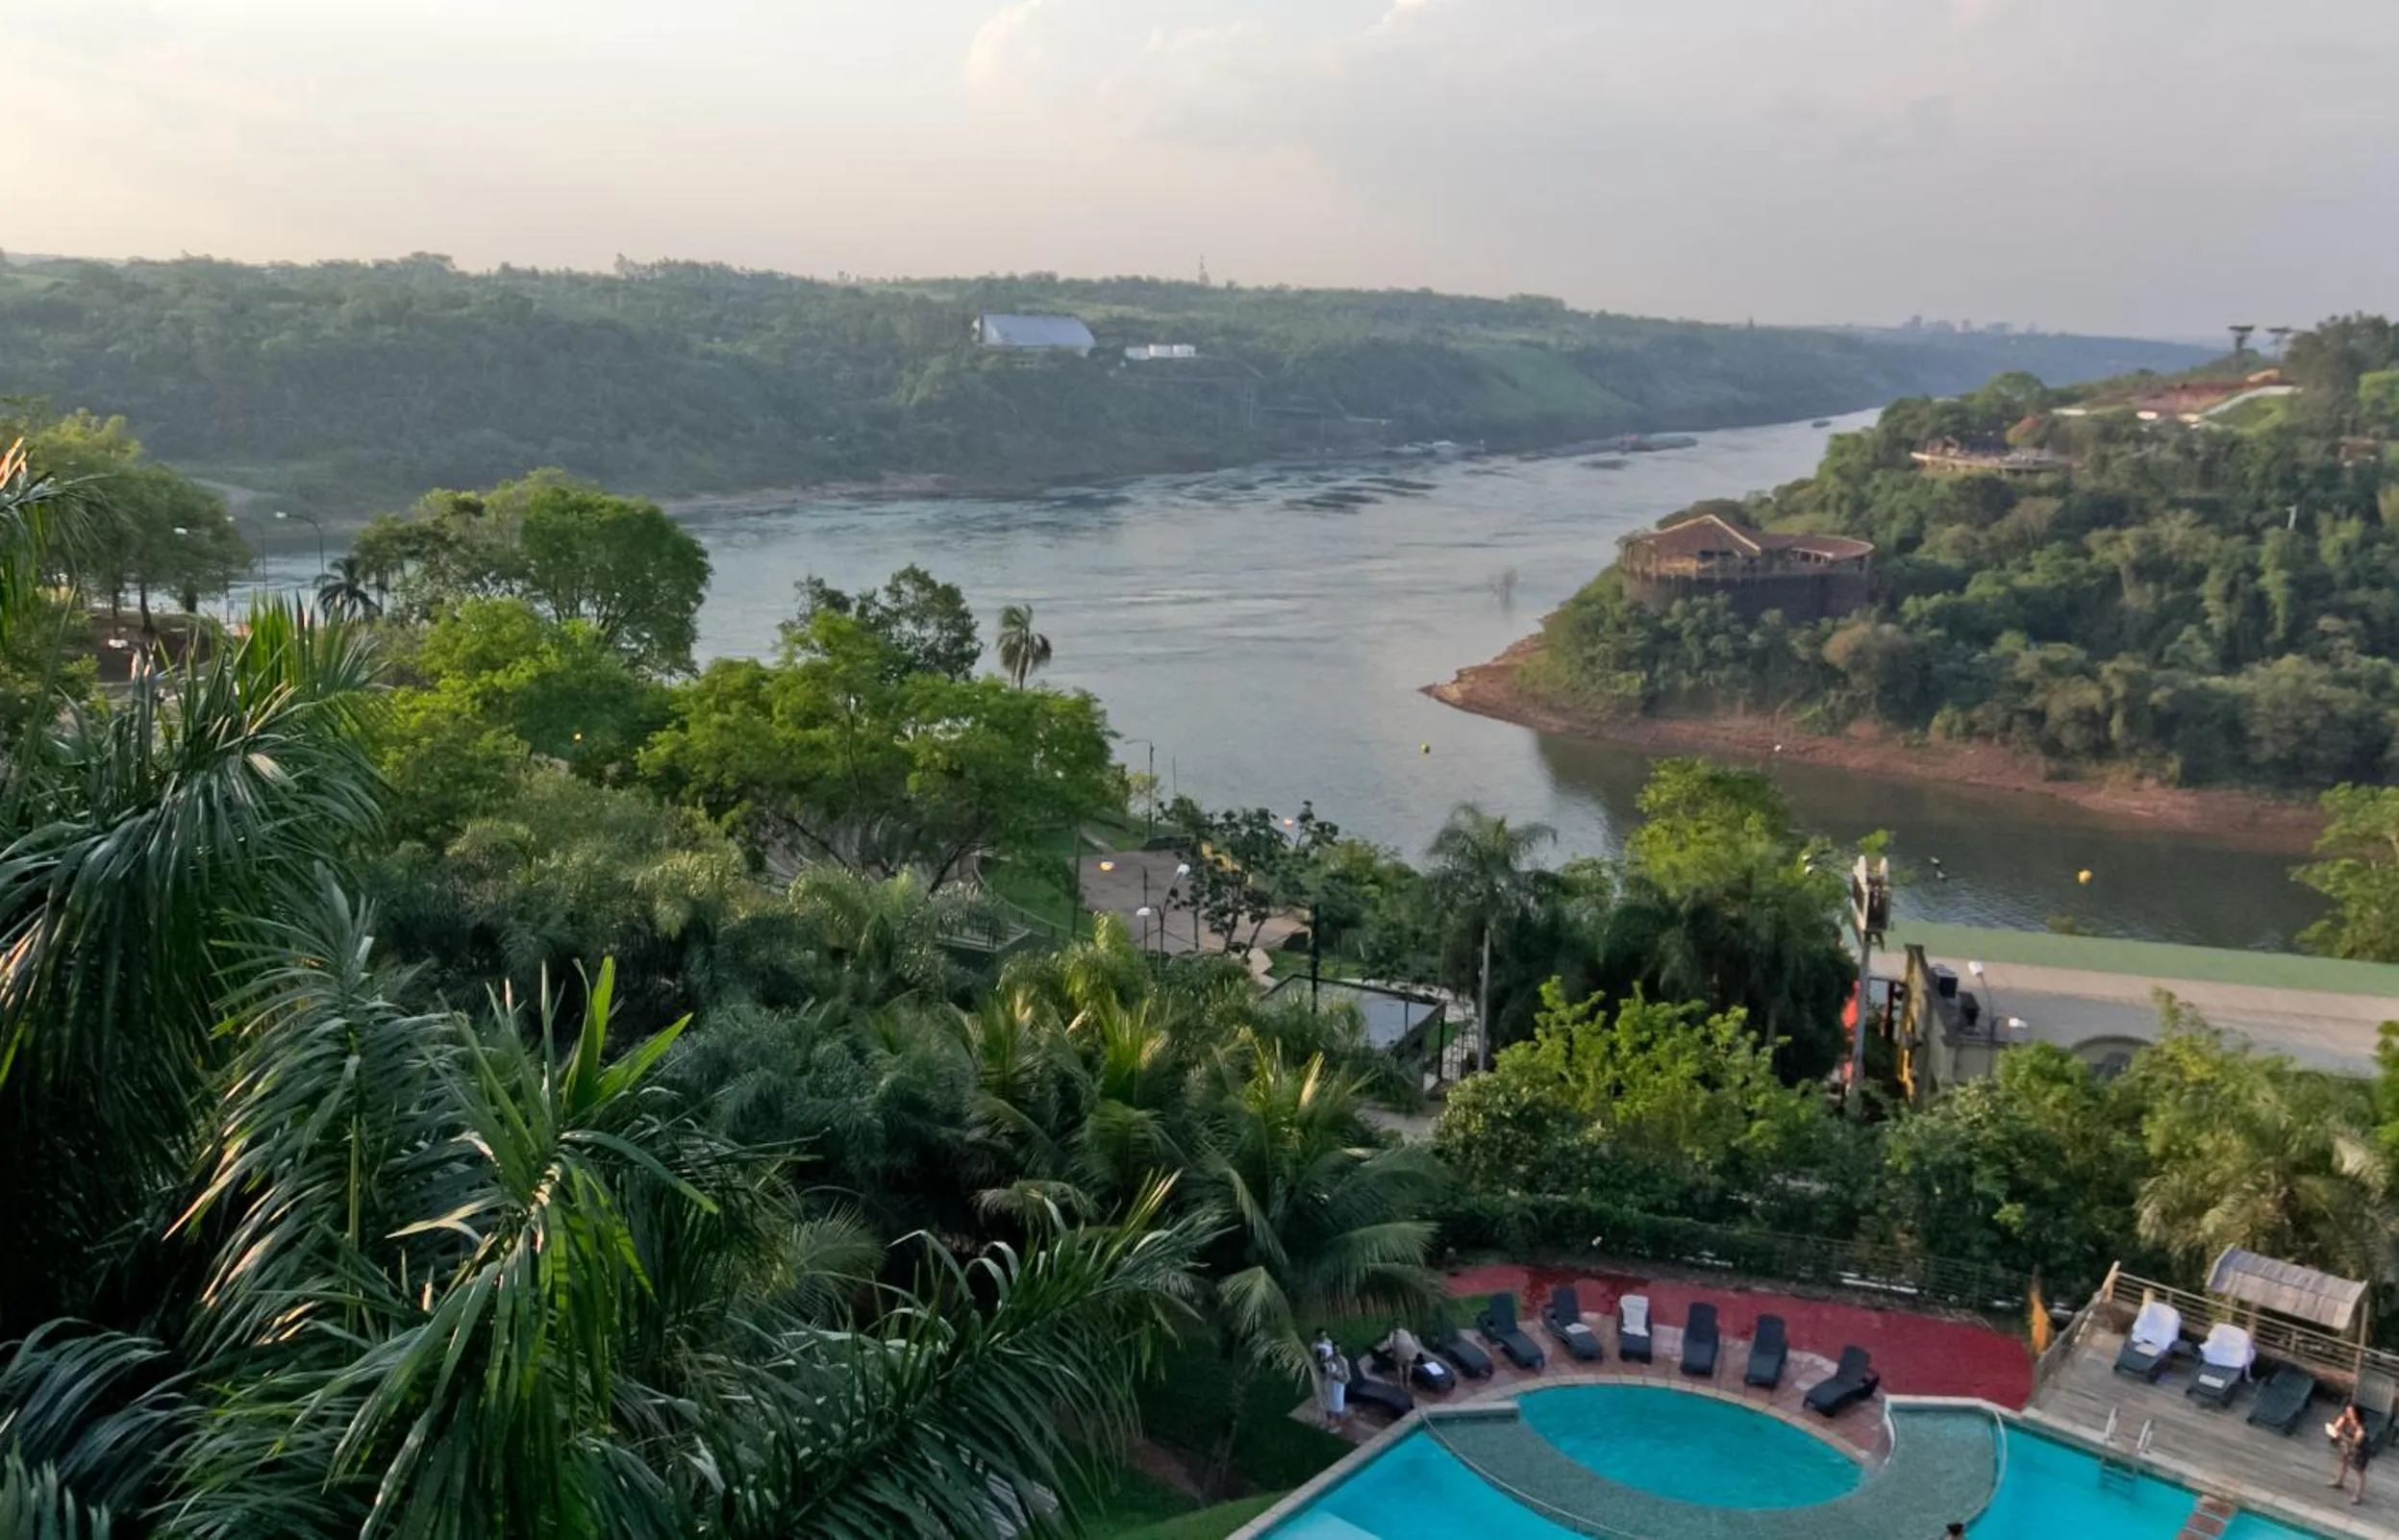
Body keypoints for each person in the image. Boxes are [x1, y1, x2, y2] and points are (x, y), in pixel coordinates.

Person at [2330, 1403, 2371, 1505]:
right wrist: (2335, 1429)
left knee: (2358, 1472)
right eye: (2347, 1411)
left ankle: (2357, 1496)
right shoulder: (2345, 1418)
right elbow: (2336, 1427)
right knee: (2343, 1462)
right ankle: (2339, 1482)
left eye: (2350, 1412)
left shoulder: (2361, 1427)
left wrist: (2341, 1436)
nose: (2348, 1413)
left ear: (2356, 1414)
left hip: (2360, 1450)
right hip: (2345, 1444)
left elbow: (2356, 1442)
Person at [1312, 1328, 1348, 1429]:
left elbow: (1345, 1376)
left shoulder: (1340, 1361)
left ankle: (1339, 1424)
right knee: (1326, 1402)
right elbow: (1318, 1362)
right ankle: (1330, 1422)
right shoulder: (1317, 1349)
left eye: (1324, 1336)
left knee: (1337, 1405)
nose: (1323, 1338)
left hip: (1335, 1383)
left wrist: (1338, 1377)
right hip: (1326, 1380)